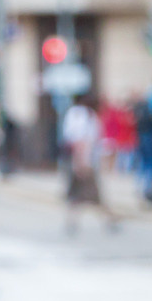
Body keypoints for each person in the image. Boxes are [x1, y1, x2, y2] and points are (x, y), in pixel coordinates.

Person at [61, 93, 116, 233]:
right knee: (90, 194)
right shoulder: (83, 115)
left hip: (83, 161)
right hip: (84, 162)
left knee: (78, 195)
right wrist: (81, 162)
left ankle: (74, 222)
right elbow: (81, 141)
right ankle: (108, 220)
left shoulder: (80, 114)